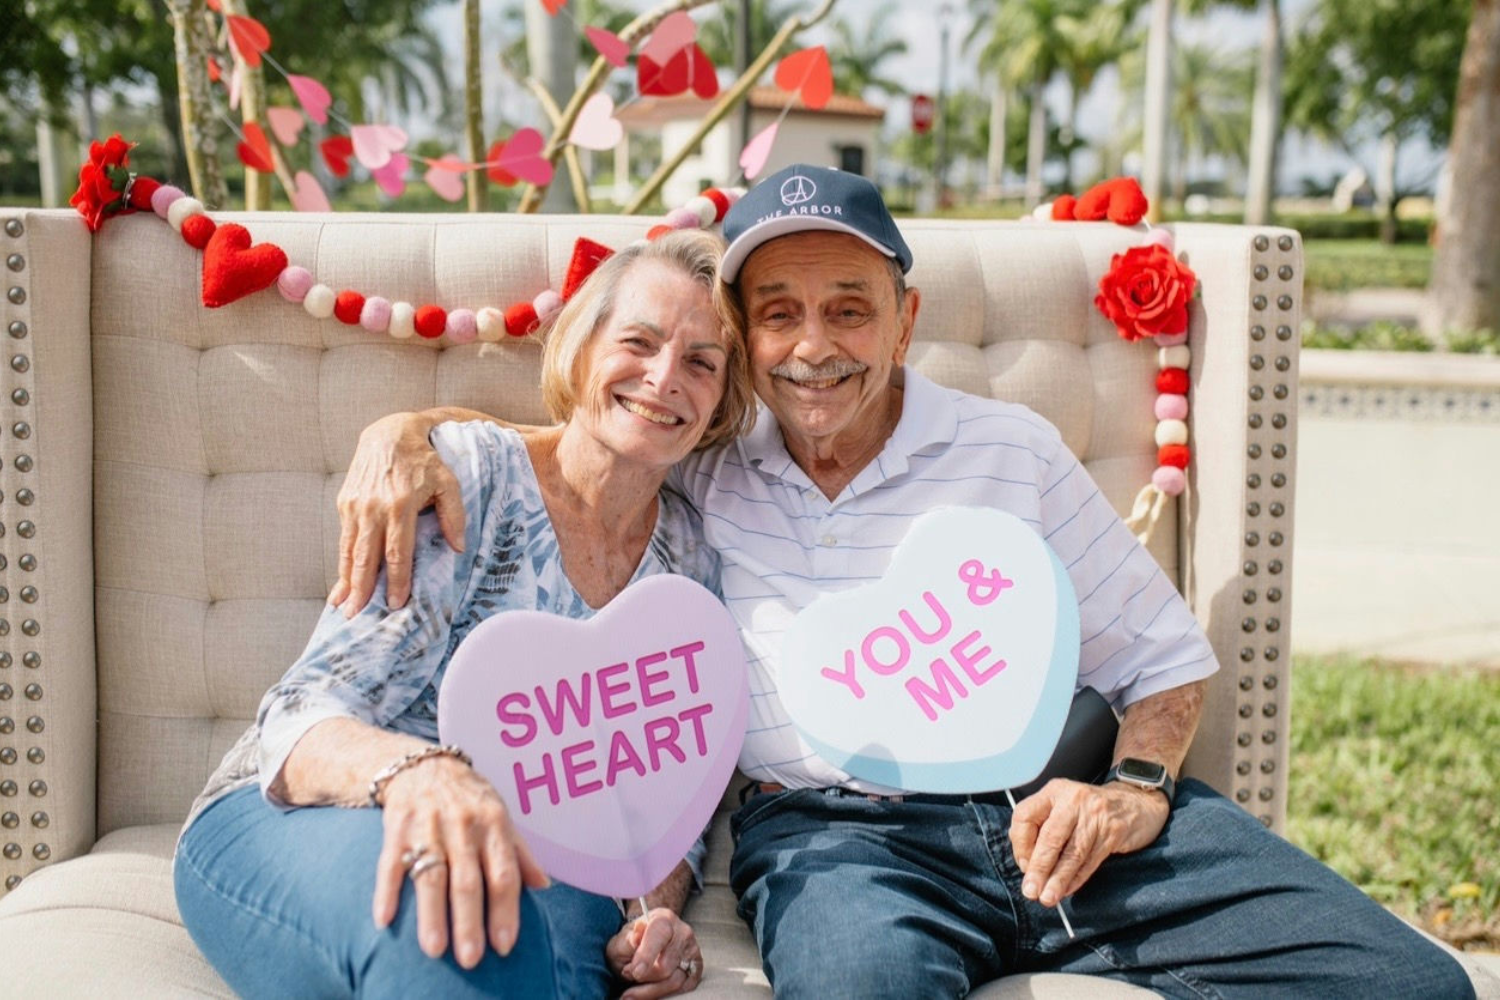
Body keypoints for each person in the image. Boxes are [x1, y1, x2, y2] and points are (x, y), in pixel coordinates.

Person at [327, 165, 1474, 998]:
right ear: (741, 335)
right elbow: (582, 429)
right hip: (840, 844)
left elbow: (1167, 663)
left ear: (905, 318)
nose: (811, 345)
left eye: (847, 309)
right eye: (776, 315)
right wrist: (407, 425)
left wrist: (1131, 792)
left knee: (1409, 984)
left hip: (1055, 806)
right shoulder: (705, 469)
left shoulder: (1010, 451)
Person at [173, 229, 755, 1000]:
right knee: (460, 919)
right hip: (306, 810)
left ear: (719, 402)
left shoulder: (690, 565)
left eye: (700, 363)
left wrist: (654, 918)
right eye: (637, 343)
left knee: (560, 959)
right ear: (581, 351)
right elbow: (299, 716)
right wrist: (419, 776)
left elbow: (657, 800)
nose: (662, 378)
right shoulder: (464, 478)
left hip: (537, 865)